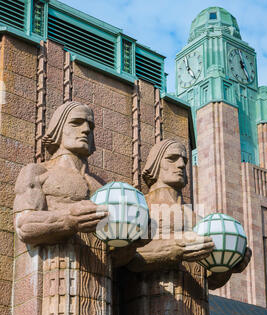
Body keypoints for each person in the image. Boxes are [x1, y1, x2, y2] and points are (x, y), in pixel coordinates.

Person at [127, 139, 251, 288]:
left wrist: (227, 265)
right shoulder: (141, 206)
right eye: (172, 159)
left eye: (184, 161)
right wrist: (175, 248)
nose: (180, 165)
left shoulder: (199, 221)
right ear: (155, 163)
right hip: (149, 299)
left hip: (195, 306)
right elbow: (127, 257)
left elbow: (209, 281)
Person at [13, 102, 108, 245]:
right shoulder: (38, 172)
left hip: (99, 265)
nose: (86, 130)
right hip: (54, 262)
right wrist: (69, 220)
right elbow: (23, 225)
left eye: (91, 126)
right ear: (58, 128)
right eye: (76, 123)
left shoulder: (102, 187)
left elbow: (115, 252)